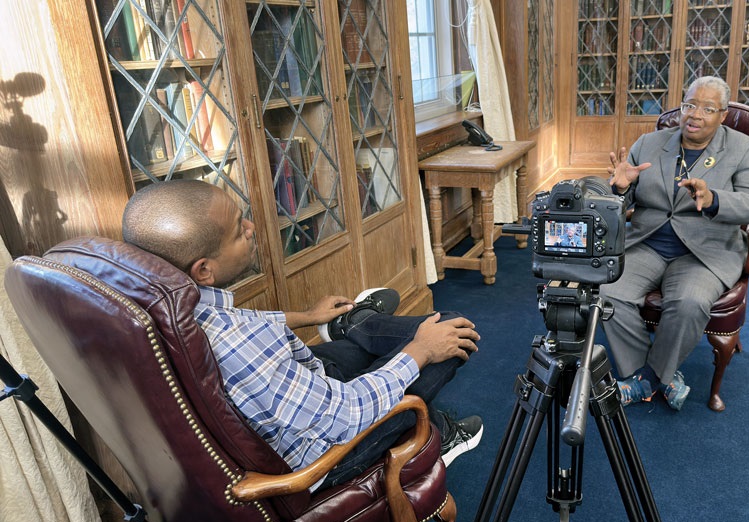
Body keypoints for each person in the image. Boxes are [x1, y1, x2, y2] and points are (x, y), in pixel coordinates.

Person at [122, 180, 484, 489]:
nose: (250, 227)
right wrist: (421, 350)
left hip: (298, 384)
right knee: (450, 328)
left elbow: (244, 323)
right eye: (238, 230)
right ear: (204, 270)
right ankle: (436, 427)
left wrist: (309, 317)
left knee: (408, 339)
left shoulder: (154, 303)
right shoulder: (237, 345)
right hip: (326, 451)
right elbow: (349, 415)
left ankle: (355, 324)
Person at [602, 75, 749, 410]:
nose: (694, 114)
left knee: (690, 303)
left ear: (722, 115)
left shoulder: (743, 148)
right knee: (606, 292)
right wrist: (620, 189)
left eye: (707, 109)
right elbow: (622, 201)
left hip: (706, 250)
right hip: (648, 242)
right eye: (689, 104)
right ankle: (652, 376)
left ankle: (646, 380)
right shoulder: (650, 143)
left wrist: (715, 200)